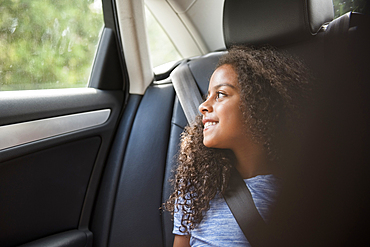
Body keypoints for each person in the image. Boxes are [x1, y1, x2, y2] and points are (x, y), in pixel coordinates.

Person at [165, 46, 309, 247]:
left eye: (221, 94)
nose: (203, 106)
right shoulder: (197, 186)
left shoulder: (294, 193)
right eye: (207, 95)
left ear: (257, 105)